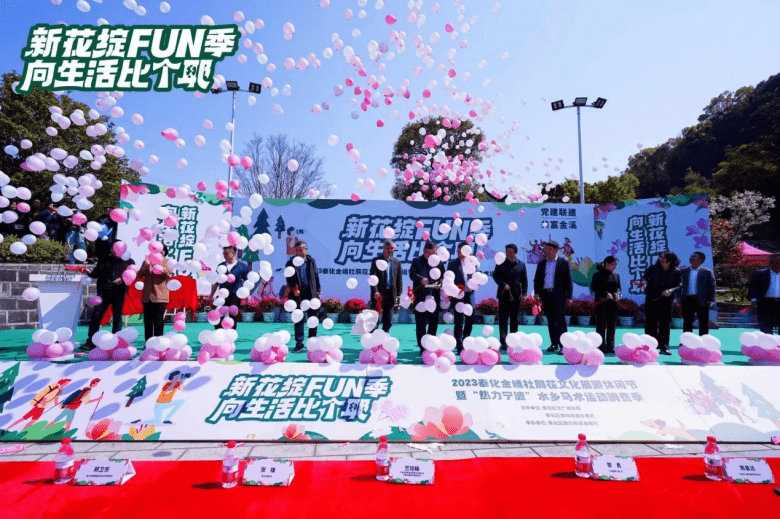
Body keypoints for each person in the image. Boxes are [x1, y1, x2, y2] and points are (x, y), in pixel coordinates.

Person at [83, 247, 134, 350]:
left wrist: (122, 279)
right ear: (111, 250)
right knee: (96, 316)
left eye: (117, 249)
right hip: (103, 293)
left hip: (119, 292)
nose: (114, 252)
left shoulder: (128, 261)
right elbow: (95, 274)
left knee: (117, 317)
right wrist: (88, 271)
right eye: (113, 249)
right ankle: (91, 342)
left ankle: (116, 343)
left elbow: (132, 275)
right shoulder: (104, 260)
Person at [533, 240, 573, 354]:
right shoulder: (542, 263)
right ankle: (554, 343)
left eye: (550, 249)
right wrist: (537, 292)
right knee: (550, 320)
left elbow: (569, 281)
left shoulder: (563, 262)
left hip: (559, 295)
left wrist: (569, 297)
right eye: (546, 249)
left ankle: (564, 346)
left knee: (560, 321)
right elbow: (537, 279)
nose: (547, 251)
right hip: (546, 295)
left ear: (556, 250)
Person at [642, 251, 682, 355]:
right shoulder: (653, 268)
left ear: (670, 259)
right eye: (660, 257)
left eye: (664, 257)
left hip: (666, 300)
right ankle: (650, 346)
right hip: (652, 299)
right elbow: (644, 278)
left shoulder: (676, 271)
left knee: (665, 324)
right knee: (650, 323)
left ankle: (664, 347)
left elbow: (679, 285)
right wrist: (643, 283)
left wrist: (671, 291)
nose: (661, 259)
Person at [285, 241, 321, 351]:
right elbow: (289, 278)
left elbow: (316, 276)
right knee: (298, 318)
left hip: (311, 293)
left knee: (312, 318)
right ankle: (299, 343)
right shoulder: (290, 262)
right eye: (297, 250)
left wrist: (318, 291)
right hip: (297, 295)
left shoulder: (311, 261)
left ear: (306, 249)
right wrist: (294, 288)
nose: (299, 252)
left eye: (301, 250)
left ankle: (312, 342)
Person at [409, 240, 445, 351]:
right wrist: (421, 279)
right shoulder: (417, 261)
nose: (432, 256)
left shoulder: (438, 262)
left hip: (434, 296)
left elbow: (443, 277)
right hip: (420, 297)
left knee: (433, 322)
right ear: (425, 251)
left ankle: (430, 345)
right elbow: (412, 274)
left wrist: (440, 283)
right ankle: (422, 347)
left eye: (434, 253)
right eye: (430, 253)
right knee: (421, 323)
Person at [492, 243, 528, 350]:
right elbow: (495, 275)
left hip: (516, 296)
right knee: (503, 319)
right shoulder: (500, 263)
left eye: (511, 252)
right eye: (507, 252)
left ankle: (513, 341)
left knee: (514, 319)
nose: (509, 254)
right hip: (503, 295)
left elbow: (524, 281)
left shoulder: (521, 265)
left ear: (515, 253)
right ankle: (503, 341)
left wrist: (524, 294)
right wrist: (502, 284)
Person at [448, 242, 479, 353]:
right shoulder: (452, 264)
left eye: (462, 252)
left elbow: (478, 278)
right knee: (458, 320)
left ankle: (466, 340)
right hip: (458, 295)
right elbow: (449, 280)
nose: (460, 254)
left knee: (470, 319)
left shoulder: (473, 262)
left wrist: (473, 286)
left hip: (470, 295)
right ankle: (459, 343)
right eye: (458, 251)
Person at [5, 379, 70, 432]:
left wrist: (58, 404)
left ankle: (11, 429)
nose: (67, 384)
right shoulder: (57, 389)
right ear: (63, 383)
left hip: (41, 406)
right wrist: (43, 402)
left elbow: (55, 399)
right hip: (40, 407)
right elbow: (48, 396)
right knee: (27, 419)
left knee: (29, 419)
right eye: (67, 382)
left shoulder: (59, 390)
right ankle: (13, 430)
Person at [138, 244, 172, 341]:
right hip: (147, 296)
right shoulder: (147, 261)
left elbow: (167, 273)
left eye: (160, 250)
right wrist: (146, 265)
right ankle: (148, 342)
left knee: (158, 321)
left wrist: (154, 265)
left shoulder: (167, 262)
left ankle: (158, 343)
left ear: (164, 252)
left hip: (160, 296)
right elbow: (139, 274)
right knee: (148, 322)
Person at [210, 245, 249, 331]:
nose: (225, 255)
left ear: (233, 253)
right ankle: (219, 332)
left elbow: (247, 282)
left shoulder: (242, 266)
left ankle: (231, 333)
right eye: (224, 253)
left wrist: (246, 296)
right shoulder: (221, 266)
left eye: (227, 253)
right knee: (217, 313)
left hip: (235, 295)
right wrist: (211, 295)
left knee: (233, 315)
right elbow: (216, 282)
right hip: (222, 294)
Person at [679, 251, 716, 336]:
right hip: (687, 299)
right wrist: (678, 298)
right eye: (691, 256)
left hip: (702, 300)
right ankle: (687, 340)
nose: (691, 258)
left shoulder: (707, 272)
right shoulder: (684, 271)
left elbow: (712, 287)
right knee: (687, 321)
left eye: (694, 256)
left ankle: (703, 340)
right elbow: (679, 286)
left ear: (701, 259)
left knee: (703, 322)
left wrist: (711, 300)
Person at [370, 239, 402, 332]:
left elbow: (399, 279)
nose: (390, 250)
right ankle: (373, 337)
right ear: (383, 248)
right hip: (378, 294)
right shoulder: (376, 260)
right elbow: (372, 278)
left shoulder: (396, 262)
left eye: (392, 248)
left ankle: (384, 337)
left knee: (388, 320)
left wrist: (398, 294)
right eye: (388, 248)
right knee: (375, 319)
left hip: (390, 294)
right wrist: (375, 292)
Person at [591, 256, 621, 354]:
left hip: (613, 304)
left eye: (616, 265)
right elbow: (594, 287)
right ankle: (600, 346)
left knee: (612, 326)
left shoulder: (616, 275)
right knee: (601, 325)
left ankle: (610, 346)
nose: (615, 267)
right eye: (613, 265)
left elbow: (618, 287)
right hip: (601, 304)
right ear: (607, 264)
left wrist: (618, 294)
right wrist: (605, 294)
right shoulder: (597, 274)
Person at [748, 253, 780, 334]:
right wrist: (754, 300)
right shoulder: (760, 274)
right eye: (777, 261)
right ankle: (767, 342)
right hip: (765, 303)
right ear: (771, 262)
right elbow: (752, 288)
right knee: (766, 329)